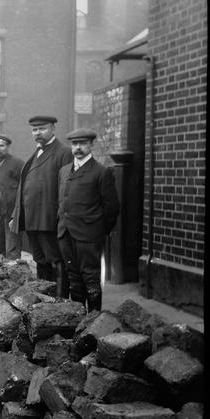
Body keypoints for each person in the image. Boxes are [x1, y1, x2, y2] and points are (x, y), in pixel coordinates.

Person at [58, 128, 119, 312]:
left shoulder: (101, 172)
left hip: (89, 236)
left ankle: (93, 321)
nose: (78, 148)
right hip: (65, 233)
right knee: (73, 279)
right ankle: (77, 320)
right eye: (74, 144)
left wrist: (98, 231)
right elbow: (61, 202)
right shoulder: (63, 171)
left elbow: (112, 208)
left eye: (83, 144)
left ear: (91, 145)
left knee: (91, 279)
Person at [11, 115, 73, 296]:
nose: (38, 133)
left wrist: (61, 219)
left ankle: (60, 303)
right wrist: (17, 214)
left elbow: (67, 190)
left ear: (53, 128)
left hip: (50, 219)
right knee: (40, 261)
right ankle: (45, 299)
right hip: (32, 219)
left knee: (56, 261)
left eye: (42, 128)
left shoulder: (63, 152)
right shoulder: (36, 153)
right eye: (34, 130)